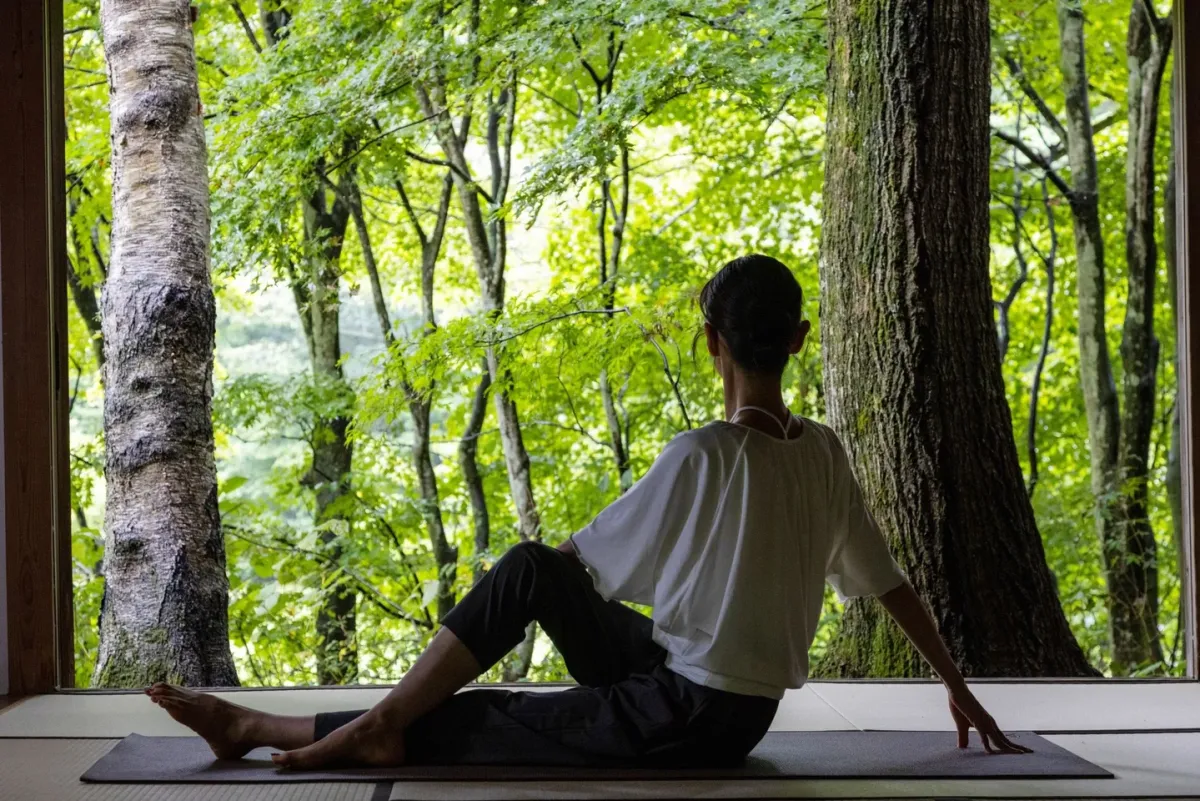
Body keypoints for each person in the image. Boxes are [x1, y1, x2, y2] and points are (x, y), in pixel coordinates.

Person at [147, 254, 1030, 769]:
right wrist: (959, 688)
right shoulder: (825, 452)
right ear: (799, 340)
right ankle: (368, 720)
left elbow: (575, 560)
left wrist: (514, 593)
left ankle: (283, 725)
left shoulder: (702, 454)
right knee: (530, 576)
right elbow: (891, 586)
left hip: (696, 717)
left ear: (710, 339)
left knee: (478, 715)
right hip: (704, 686)